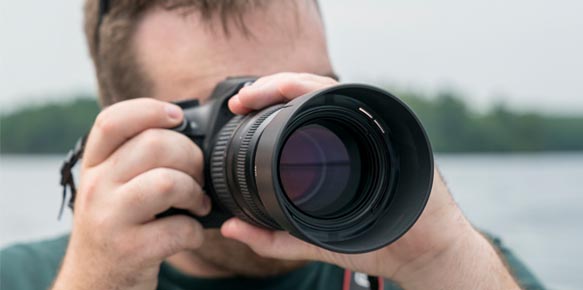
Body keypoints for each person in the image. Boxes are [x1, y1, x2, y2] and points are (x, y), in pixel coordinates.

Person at [0, 1, 543, 289]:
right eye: (227, 110)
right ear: (126, 134)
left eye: (298, 96)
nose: (288, 139)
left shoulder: (441, 265)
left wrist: (442, 259)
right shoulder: (23, 279)